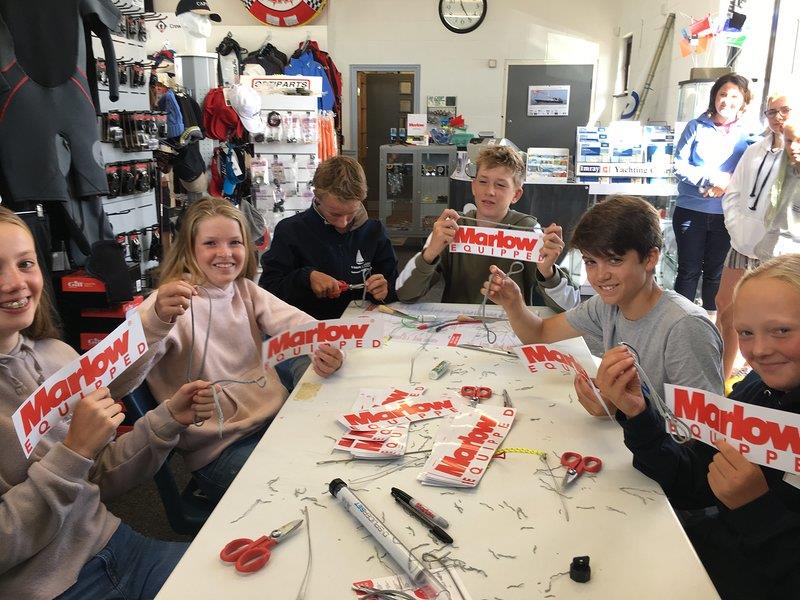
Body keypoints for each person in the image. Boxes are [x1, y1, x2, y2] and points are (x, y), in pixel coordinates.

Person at [0, 207, 215, 599]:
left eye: (25, 263)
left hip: (115, 544)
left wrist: (167, 420)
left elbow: (96, 478)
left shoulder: (55, 355)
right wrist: (74, 451)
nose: (16, 283)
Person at [590, 254, 800, 599]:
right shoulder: (755, 391)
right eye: (745, 333)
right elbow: (693, 482)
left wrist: (756, 508)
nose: (759, 350)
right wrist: (640, 416)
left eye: (782, 330)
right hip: (698, 559)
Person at [111, 197, 344, 503]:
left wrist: (329, 350)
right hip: (220, 450)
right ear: (189, 249)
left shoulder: (244, 290)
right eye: (210, 243)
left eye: (234, 242)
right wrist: (155, 322)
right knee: (302, 495)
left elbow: (303, 326)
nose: (225, 253)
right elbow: (118, 382)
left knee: (332, 461)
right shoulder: (166, 304)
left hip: (272, 424)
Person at [483, 195, 724, 405]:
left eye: (615, 260)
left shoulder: (685, 328)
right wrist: (513, 304)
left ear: (650, 259)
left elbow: (703, 436)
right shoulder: (607, 305)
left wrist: (621, 410)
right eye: (591, 262)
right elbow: (540, 334)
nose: (600, 276)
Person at [396, 145, 579, 310]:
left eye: (500, 185)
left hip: (512, 325)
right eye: (483, 182)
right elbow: (405, 293)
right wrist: (430, 253)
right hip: (456, 323)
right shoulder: (452, 228)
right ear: (473, 187)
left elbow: (571, 306)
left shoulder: (528, 230)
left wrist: (548, 272)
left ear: (516, 194)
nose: (489, 191)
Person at [259, 155, 398, 320]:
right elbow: (268, 291)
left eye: (351, 213)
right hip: (308, 329)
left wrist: (385, 289)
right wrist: (306, 278)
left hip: (362, 330)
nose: (342, 223)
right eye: (334, 214)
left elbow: (394, 290)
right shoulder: (290, 231)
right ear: (317, 197)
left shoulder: (374, 232)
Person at [717, 96, 795, 381]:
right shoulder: (754, 150)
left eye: (784, 110)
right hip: (741, 244)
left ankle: (752, 375)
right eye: (771, 112)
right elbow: (734, 193)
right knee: (726, 309)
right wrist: (737, 229)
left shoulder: (793, 152)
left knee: (763, 318)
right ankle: (721, 375)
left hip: (778, 253)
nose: (777, 117)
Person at [672, 73, 752, 312]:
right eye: (722, 94)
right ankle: (680, 321)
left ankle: (712, 325)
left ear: (744, 101)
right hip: (690, 212)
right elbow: (678, 165)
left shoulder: (748, 134)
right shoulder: (695, 127)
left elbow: (752, 169)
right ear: (714, 97)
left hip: (726, 215)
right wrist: (711, 178)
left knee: (716, 273)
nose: (727, 101)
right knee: (688, 271)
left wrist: (726, 184)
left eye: (734, 96)